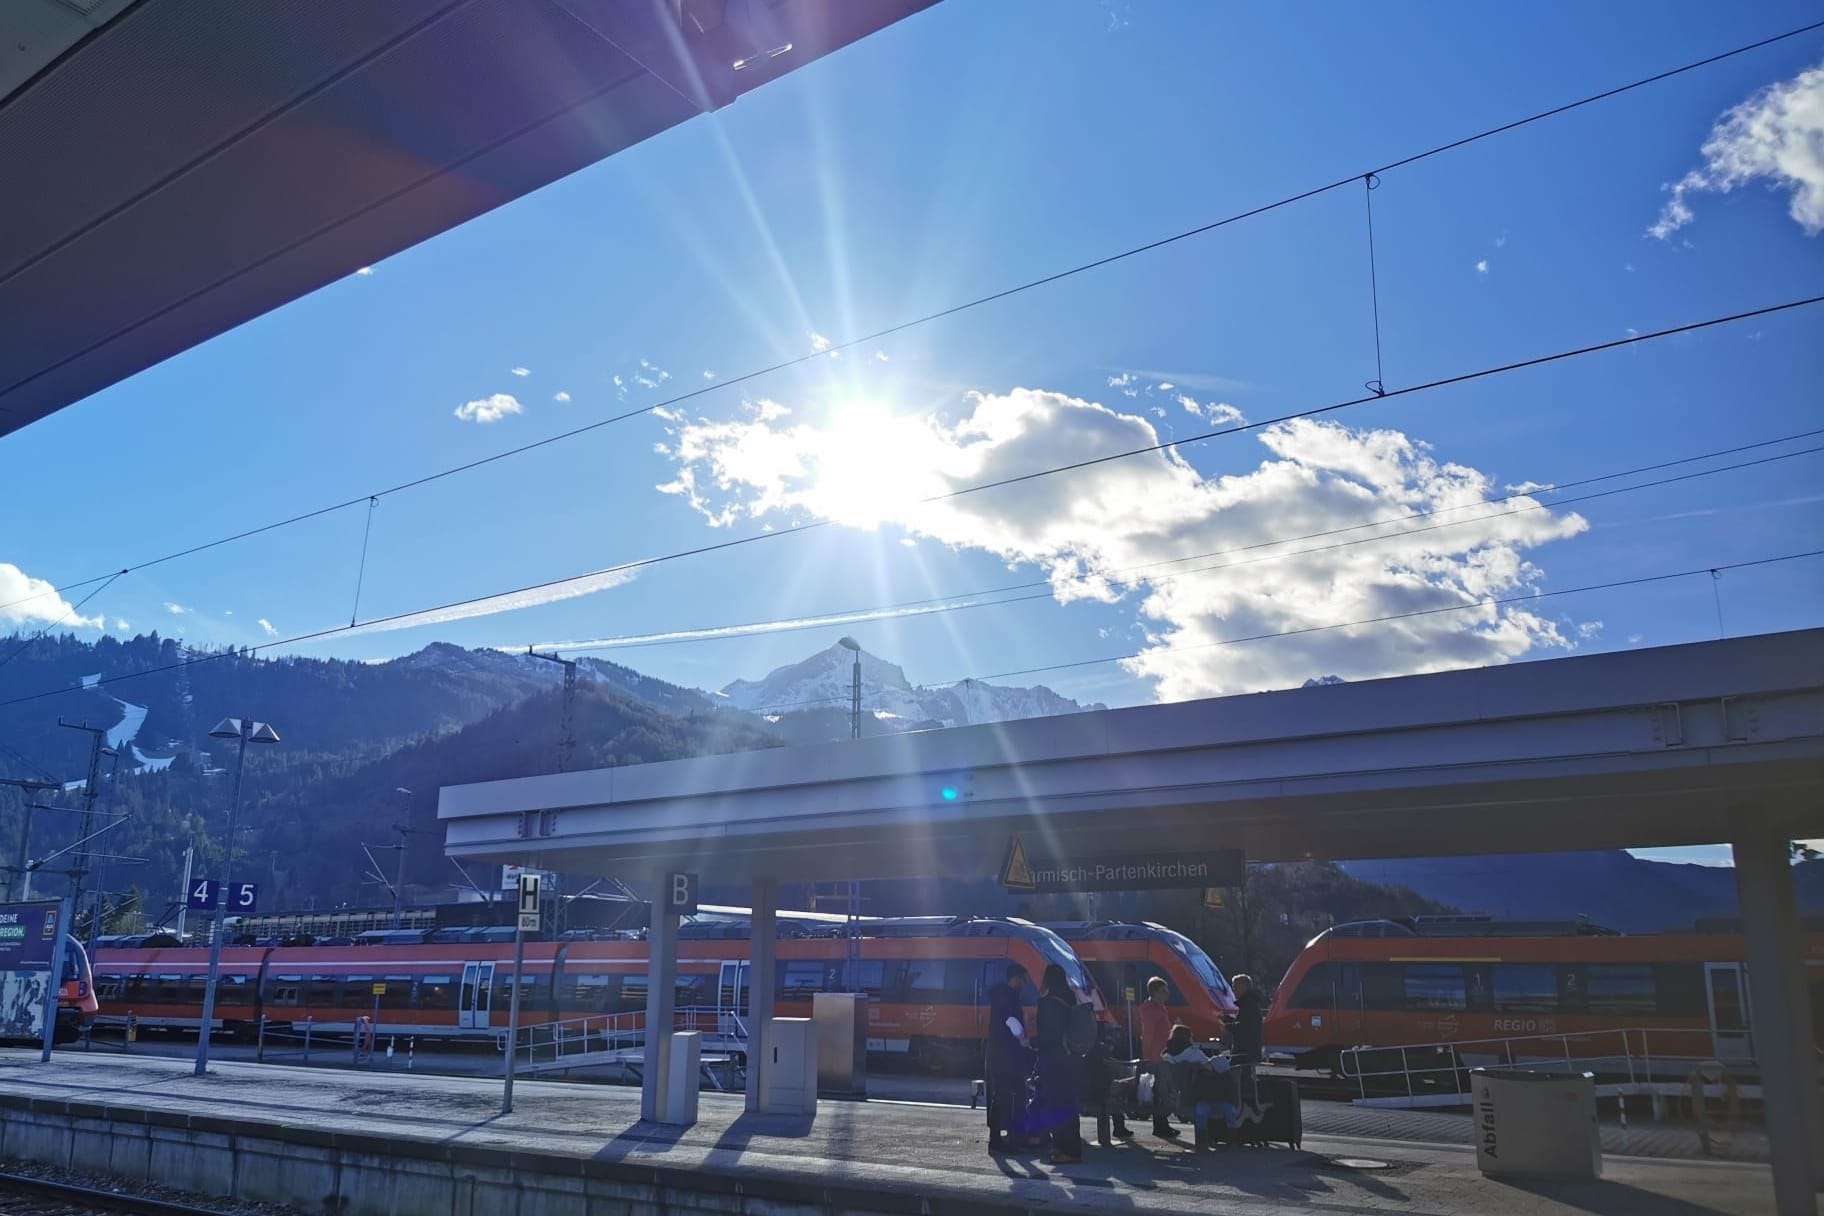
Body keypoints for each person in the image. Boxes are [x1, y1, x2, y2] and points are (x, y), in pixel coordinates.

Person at [1162, 1024, 1249, 1150]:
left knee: (1202, 1110)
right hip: (1200, 1093)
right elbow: (1208, 1064)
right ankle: (1230, 1142)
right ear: (1188, 1038)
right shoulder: (1193, 1053)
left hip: (1178, 1093)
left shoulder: (1166, 1055)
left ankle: (1202, 1143)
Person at [1031, 963, 1085, 1164]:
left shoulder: (1047, 1003)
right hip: (1070, 1059)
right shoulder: (1070, 1000)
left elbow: (1048, 1036)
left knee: (1055, 1105)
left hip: (1053, 1060)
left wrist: (1032, 1042)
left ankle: (1065, 1149)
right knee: (1069, 1105)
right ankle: (1069, 1147)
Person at [983, 962, 1029, 1154]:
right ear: (1016, 978)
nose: (1024, 984)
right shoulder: (1008, 997)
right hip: (1006, 1056)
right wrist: (1022, 1038)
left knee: (1004, 1095)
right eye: (1023, 979)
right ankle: (1000, 1140)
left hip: (999, 1054)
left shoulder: (1002, 995)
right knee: (1006, 1096)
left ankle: (1005, 1137)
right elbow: (1011, 1021)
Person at [1136, 977, 1178, 1138]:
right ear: (1155, 992)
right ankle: (1161, 1125)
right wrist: (1147, 1055)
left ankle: (1162, 1124)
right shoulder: (1153, 1010)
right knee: (1161, 1090)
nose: (1167, 993)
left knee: (1161, 1090)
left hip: (1160, 1054)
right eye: (1163, 990)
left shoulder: (1158, 1008)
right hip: (1156, 1056)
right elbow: (1149, 1033)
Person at [1229, 974, 1263, 1063]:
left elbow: (1244, 1027)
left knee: (1236, 1075)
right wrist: (1227, 1020)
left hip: (1244, 1052)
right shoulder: (1250, 1003)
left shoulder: (1248, 1005)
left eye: (1235, 986)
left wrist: (1226, 1026)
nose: (1233, 990)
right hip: (1249, 1051)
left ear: (1243, 987)